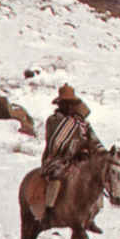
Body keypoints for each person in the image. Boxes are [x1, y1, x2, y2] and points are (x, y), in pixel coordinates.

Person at [41, 84, 106, 229]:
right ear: (60, 104)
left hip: (78, 160)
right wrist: (76, 151)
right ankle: (49, 211)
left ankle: (90, 216)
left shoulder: (81, 123)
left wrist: (101, 153)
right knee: (57, 176)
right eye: (66, 103)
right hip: (57, 159)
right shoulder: (53, 120)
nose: (69, 107)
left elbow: (93, 140)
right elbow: (56, 143)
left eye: (72, 104)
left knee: (95, 178)